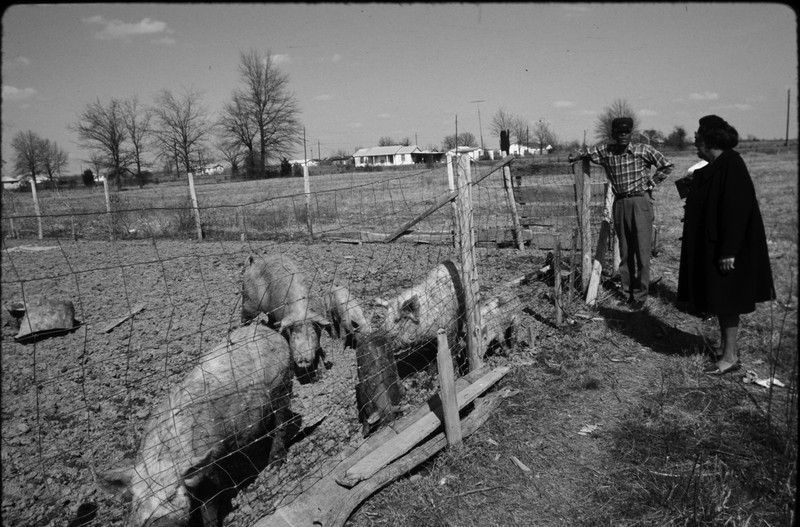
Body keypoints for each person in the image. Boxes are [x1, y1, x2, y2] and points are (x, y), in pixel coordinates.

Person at [677, 115, 775, 375]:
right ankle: (725, 349)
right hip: (717, 246)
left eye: (698, 137)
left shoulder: (732, 165)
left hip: (728, 250)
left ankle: (729, 357)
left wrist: (729, 251)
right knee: (722, 299)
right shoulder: (717, 166)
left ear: (710, 139)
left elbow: (736, 210)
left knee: (728, 300)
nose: (694, 142)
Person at [569, 117, 674, 310]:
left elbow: (667, 165)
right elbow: (585, 153)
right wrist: (576, 155)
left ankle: (641, 295)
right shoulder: (606, 152)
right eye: (620, 133)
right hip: (620, 204)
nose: (624, 136)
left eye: (627, 132)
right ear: (614, 134)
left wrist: (652, 182)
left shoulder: (644, 150)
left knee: (642, 251)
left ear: (631, 134)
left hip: (640, 202)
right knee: (626, 251)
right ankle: (628, 293)